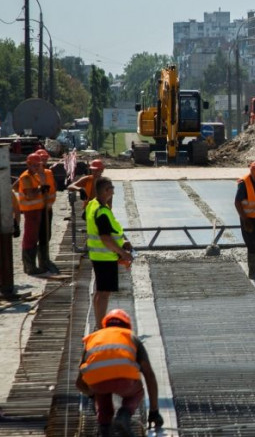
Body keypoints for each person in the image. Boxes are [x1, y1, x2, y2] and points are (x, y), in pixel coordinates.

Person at [76, 309, 162, 437]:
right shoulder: (131, 337)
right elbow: (149, 374)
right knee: (137, 392)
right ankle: (124, 415)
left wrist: (92, 394)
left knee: (101, 393)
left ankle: (104, 426)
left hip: (97, 382)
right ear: (127, 325)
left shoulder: (93, 338)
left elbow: (79, 382)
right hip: (125, 381)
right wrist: (154, 411)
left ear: (105, 325)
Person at [87, 176, 134, 329]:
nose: (113, 191)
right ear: (106, 191)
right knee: (104, 293)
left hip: (98, 255)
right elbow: (105, 238)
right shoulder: (101, 211)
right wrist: (123, 252)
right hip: (105, 256)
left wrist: (122, 242)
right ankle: (101, 327)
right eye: (112, 188)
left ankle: (98, 323)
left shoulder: (92, 204)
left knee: (100, 291)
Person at [15, 153, 47, 275]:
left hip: (36, 210)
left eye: (37, 165)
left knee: (33, 238)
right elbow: (30, 194)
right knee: (30, 238)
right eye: (34, 165)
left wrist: (41, 176)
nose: (36, 167)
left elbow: (41, 184)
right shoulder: (26, 177)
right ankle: (29, 266)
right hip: (30, 211)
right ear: (28, 164)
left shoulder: (35, 176)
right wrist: (40, 188)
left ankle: (31, 265)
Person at [35, 149, 60, 274]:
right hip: (37, 210)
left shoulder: (49, 173)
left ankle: (45, 259)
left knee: (47, 234)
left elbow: (53, 188)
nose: (44, 161)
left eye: (45, 159)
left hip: (48, 208)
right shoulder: (32, 175)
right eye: (42, 159)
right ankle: (41, 262)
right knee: (40, 235)